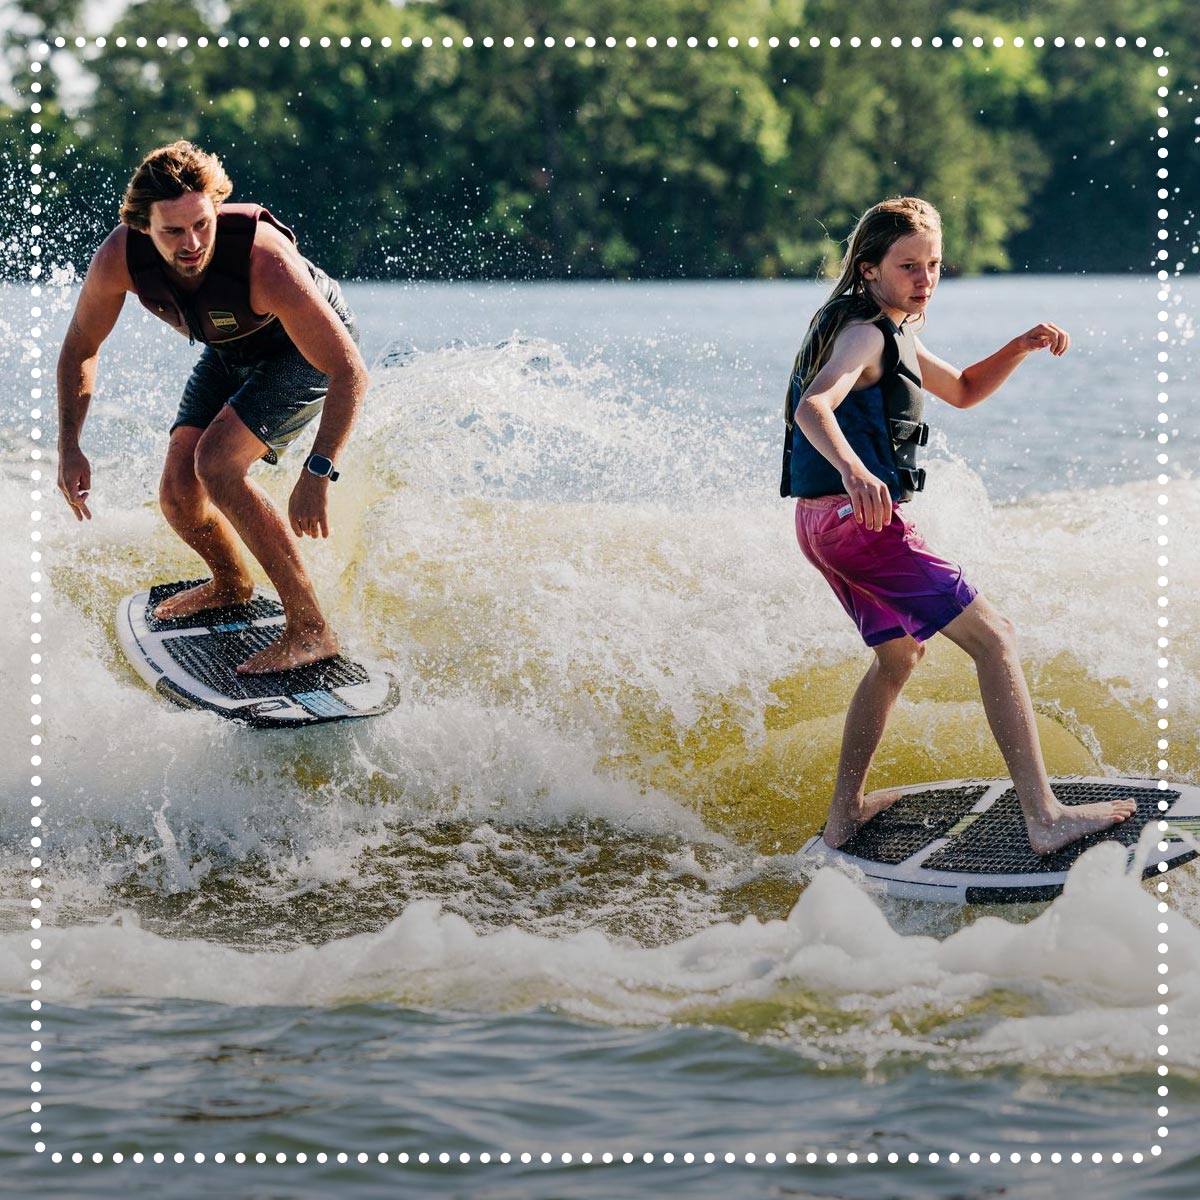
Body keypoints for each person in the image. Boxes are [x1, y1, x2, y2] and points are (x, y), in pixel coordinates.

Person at [782, 196, 1135, 854]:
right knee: (995, 639)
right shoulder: (865, 334)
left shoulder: (886, 327)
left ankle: (843, 816)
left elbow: (967, 388)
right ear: (868, 270)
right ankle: (1044, 817)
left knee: (897, 656)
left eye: (935, 265)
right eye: (909, 266)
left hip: (818, 525)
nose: (926, 280)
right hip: (855, 519)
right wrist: (858, 473)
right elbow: (813, 407)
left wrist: (1022, 345)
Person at [56, 140, 368, 674]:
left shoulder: (263, 261)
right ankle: (230, 583)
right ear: (141, 225)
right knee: (179, 494)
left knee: (217, 463)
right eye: (172, 231)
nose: (192, 243)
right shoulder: (119, 259)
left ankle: (312, 629)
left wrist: (318, 471)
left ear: (216, 205)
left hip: (302, 350)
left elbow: (350, 370)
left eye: (202, 223)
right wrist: (70, 446)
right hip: (229, 349)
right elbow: (80, 348)